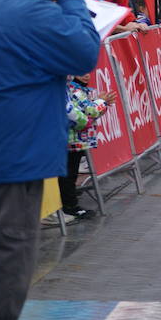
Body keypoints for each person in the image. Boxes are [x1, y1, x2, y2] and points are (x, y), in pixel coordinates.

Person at [0, 0, 100, 320]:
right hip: (14, 155)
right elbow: (85, 52)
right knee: (10, 247)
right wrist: (68, 1)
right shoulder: (38, 15)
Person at [62, 73, 115, 220]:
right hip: (72, 140)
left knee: (70, 173)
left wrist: (99, 103)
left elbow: (89, 111)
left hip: (75, 140)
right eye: (80, 72)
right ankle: (70, 206)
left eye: (87, 72)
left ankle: (69, 203)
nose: (86, 76)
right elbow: (89, 111)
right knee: (69, 174)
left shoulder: (76, 89)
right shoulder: (74, 90)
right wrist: (102, 102)